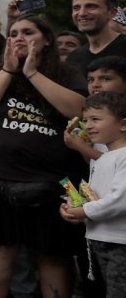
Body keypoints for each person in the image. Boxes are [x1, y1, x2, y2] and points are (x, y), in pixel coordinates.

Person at [0, 14, 87, 298]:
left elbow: (78, 111)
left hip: (55, 179)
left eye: (28, 32)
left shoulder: (67, 73)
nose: (19, 37)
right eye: (13, 32)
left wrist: (33, 74)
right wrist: (8, 71)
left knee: (53, 254)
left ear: (46, 40)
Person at [59, 92, 126, 297]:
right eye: (86, 120)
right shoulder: (101, 158)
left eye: (96, 119)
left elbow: (120, 200)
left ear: (123, 124)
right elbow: (96, 195)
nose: (87, 126)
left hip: (121, 242)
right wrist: (72, 206)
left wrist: (84, 211)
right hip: (99, 238)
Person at [67, 0, 126, 76]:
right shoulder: (73, 58)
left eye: (91, 7)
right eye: (76, 8)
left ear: (112, 13)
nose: (82, 13)